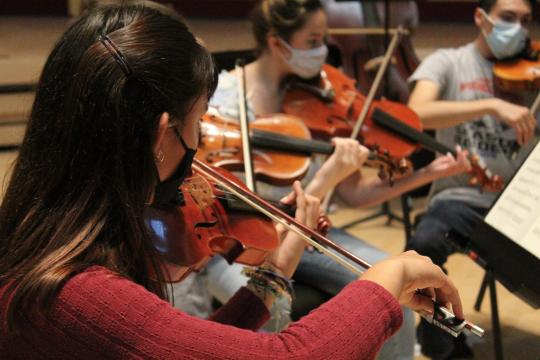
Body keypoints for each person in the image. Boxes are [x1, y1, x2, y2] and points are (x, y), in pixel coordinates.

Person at [0, 2, 466, 359]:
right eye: (200, 120)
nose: (201, 142)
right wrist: (390, 276)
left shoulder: (45, 244)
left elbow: (181, 346)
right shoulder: (75, 293)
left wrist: (274, 273)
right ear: (162, 135)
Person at [173, 1, 469, 359]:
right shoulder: (218, 100)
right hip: (238, 246)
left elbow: (355, 192)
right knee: (269, 318)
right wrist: (324, 179)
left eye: (324, 38)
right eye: (313, 39)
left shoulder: (316, 97)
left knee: (397, 290)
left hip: (314, 237)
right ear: (276, 42)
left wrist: (425, 174)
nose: (322, 51)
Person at [406, 0, 538, 358]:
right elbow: (416, 113)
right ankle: (443, 347)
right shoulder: (448, 61)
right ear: (481, 18)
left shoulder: (532, 72)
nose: (519, 29)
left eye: (526, 21)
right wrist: (491, 104)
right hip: (459, 197)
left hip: (520, 206)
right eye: (507, 18)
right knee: (425, 241)